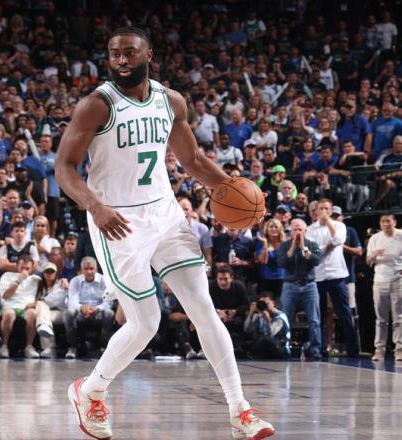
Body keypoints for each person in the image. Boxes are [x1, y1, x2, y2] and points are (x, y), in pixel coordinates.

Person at [55, 27, 275, 440]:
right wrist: (95, 206)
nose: (122, 60)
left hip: (166, 214)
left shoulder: (170, 101)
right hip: (117, 221)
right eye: (115, 54)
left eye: (130, 52)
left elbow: (192, 159)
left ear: (149, 55)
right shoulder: (96, 105)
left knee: (203, 308)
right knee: (146, 323)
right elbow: (64, 168)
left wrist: (236, 191)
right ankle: (90, 390)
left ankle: (240, 409)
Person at [306, 199, 359, 357]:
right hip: (319, 276)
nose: (323, 211)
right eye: (320, 208)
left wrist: (329, 222)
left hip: (337, 275)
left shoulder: (340, 226)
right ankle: (321, 348)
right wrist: (328, 247)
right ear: (316, 211)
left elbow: (339, 240)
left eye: (326, 208)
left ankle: (352, 349)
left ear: (330, 211)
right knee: (320, 315)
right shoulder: (310, 229)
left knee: (345, 313)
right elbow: (313, 251)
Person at [277, 219, 322, 360]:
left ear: (305, 231)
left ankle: (315, 350)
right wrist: (292, 248)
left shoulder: (312, 245)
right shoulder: (284, 245)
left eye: (300, 230)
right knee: (285, 318)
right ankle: (283, 348)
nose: (297, 232)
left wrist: (303, 248)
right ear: (291, 231)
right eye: (295, 230)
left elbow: (316, 261)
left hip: (309, 285)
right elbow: (281, 262)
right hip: (290, 285)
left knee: (314, 320)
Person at [366, 215, 402, 362]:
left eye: (388, 221)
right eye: (383, 221)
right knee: (381, 319)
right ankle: (379, 350)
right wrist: (374, 254)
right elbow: (368, 261)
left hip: (397, 280)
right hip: (380, 281)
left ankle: (399, 350)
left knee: (399, 317)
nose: (386, 224)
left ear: (394, 222)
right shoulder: (375, 239)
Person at [66, 257, 114, 359]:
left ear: (96, 269)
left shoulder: (104, 280)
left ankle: (104, 347)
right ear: (81, 270)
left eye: (91, 268)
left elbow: (109, 302)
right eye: (86, 269)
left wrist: (97, 309)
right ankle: (72, 347)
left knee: (109, 313)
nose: (89, 272)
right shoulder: (75, 281)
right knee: (69, 313)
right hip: (81, 313)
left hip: (99, 312)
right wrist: (82, 308)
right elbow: (72, 301)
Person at [0, 255, 40, 359]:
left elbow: (50, 284)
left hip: (27, 307)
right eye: (22, 268)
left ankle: (29, 347)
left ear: (32, 268)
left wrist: (63, 281)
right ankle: (4, 346)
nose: (24, 271)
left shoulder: (36, 279)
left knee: (33, 313)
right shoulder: (7, 276)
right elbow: (6, 296)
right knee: (9, 313)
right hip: (10, 306)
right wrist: (19, 280)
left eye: (27, 268)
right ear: (17, 266)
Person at [35, 262, 70, 359]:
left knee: (41, 310)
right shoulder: (39, 286)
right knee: (43, 316)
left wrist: (39, 302)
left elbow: (53, 301)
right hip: (45, 313)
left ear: (56, 273)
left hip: (60, 312)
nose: (49, 274)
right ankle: (48, 347)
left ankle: (49, 347)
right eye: (47, 272)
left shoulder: (61, 284)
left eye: (52, 272)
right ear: (43, 274)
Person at [243, 292, 291, 359]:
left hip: (280, 349)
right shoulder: (259, 315)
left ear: (273, 303)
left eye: (267, 304)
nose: (265, 307)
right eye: (262, 304)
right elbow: (247, 330)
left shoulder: (280, 317)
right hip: (265, 349)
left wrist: (267, 320)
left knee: (264, 339)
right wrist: (250, 313)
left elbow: (271, 335)